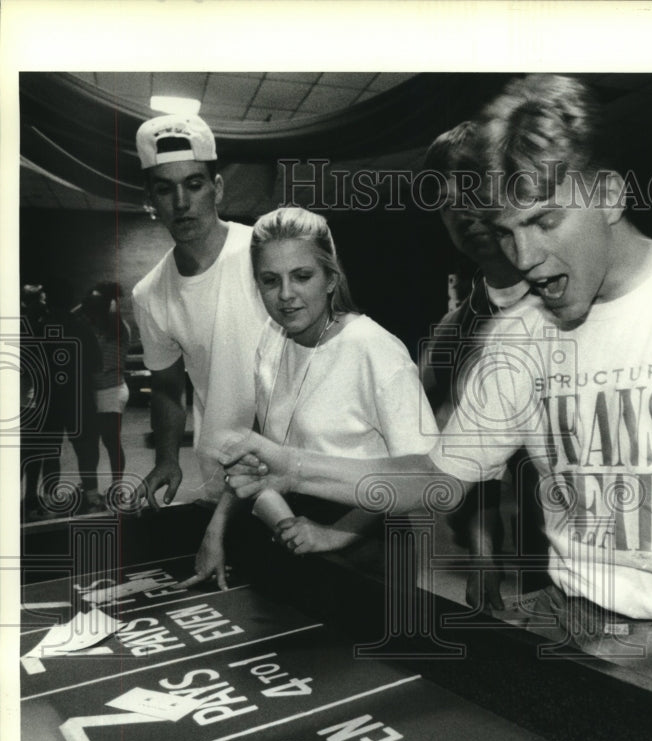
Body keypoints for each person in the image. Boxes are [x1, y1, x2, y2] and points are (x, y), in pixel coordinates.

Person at [219, 76, 652, 712]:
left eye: (545, 220)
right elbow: (438, 481)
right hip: (561, 618)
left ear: (610, 194)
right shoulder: (516, 337)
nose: (524, 257)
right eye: (507, 229)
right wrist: (292, 466)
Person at [180, 206, 436, 590]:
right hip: (295, 528)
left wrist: (335, 535)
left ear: (331, 278)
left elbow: (427, 478)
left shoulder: (374, 349)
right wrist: (215, 530)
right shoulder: (272, 337)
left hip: (371, 544)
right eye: (270, 280)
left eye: (302, 276)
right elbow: (260, 454)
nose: (286, 295)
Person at [419, 121, 549, 611]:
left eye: (472, 187)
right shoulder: (456, 331)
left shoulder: (574, 296)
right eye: (444, 199)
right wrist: (482, 558)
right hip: (529, 577)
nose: (460, 210)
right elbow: (470, 466)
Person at [131, 113, 268, 510]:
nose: (181, 203)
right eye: (165, 189)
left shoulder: (266, 253)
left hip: (301, 456)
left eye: (194, 184)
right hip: (223, 468)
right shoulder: (150, 294)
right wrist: (167, 458)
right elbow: (167, 387)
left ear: (217, 188)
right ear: (151, 200)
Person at [21, 283, 103, 518]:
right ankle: (91, 498)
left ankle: (50, 499)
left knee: (50, 452)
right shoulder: (82, 327)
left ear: (50, 302)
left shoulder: (40, 328)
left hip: (49, 400)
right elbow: (96, 365)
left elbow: (30, 366)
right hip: (79, 399)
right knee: (86, 450)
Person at [81, 282, 131, 505]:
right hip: (94, 392)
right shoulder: (93, 327)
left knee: (111, 441)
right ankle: (92, 487)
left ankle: (117, 487)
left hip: (111, 391)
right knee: (92, 444)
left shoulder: (117, 327)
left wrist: (106, 301)